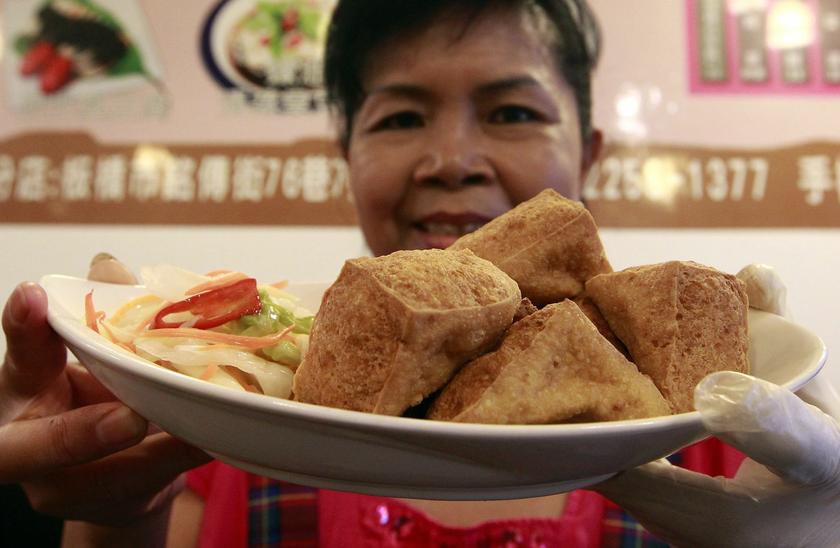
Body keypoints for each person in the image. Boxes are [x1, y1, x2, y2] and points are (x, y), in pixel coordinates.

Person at [2, 0, 839, 546]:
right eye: (401, 117)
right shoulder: (235, 424)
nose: (451, 158)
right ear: (347, 157)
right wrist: (120, 502)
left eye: (512, 111)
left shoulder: (712, 432)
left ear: (587, 154)